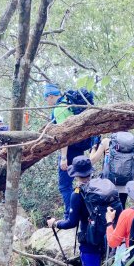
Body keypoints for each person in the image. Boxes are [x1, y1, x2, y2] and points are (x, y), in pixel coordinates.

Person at [47, 156, 122, 266]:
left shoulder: (78, 193)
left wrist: (55, 223)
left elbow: (71, 222)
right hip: (109, 233)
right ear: (90, 171)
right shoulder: (104, 185)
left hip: (89, 237)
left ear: (75, 174)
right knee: (107, 265)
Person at [44, 83, 89, 218]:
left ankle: (71, 214)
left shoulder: (59, 109)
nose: (46, 101)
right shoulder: (68, 105)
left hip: (69, 150)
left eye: (46, 98)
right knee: (81, 180)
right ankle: (83, 211)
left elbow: (64, 135)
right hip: (79, 148)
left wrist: (63, 157)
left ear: (51, 96)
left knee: (65, 186)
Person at [90, 133, 134, 209]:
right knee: (120, 211)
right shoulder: (130, 143)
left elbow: (91, 161)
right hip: (124, 185)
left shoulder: (107, 142)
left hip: (108, 185)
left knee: (107, 212)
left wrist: (94, 146)